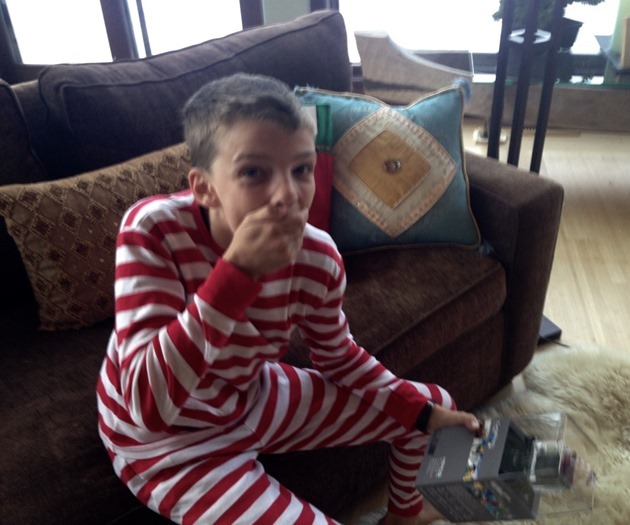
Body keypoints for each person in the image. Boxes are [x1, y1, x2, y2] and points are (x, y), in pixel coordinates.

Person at [96, 73, 481, 525]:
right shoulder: (152, 230)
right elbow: (147, 406)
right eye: (253, 173)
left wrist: (421, 413)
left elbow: (338, 356)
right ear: (204, 187)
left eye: (301, 170)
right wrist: (237, 273)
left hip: (250, 395)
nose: (288, 197)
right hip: (166, 445)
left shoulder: (318, 256)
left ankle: (405, 513)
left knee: (431, 406)